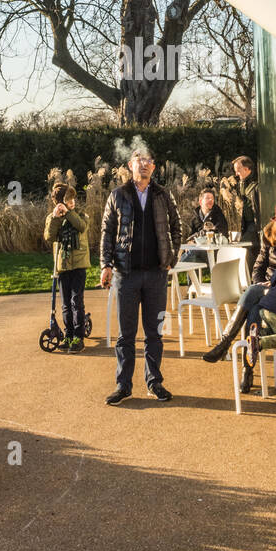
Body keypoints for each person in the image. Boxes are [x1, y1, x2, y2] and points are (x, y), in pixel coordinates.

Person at [202, 201, 276, 383]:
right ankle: (247, 371)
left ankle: (225, 344)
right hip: (268, 291)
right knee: (254, 309)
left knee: (252, 293)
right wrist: (261, 282)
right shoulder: (269, 235)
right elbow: (258, 266)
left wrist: (272, 283)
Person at [99, 149, 182, 405]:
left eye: (148, 161)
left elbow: (177, 226)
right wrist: (106, 264)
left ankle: (154, 382)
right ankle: (123, 385)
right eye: (139, 161)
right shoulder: (118, 195)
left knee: (154, 333)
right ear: (130, 165)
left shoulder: (162, 194)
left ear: (153, 167)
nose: (143, 165)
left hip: (156, 274)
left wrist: (172, 257)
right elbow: (107, 231)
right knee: (126, 335)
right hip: (127, 274)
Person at [44, 183, 90, 352]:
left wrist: (68, 212)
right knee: (65, 304)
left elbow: (81, 226)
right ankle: (68, 334)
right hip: (63, 266)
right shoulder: (53, 217)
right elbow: (50, 236)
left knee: (76, 301)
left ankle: (79, 337)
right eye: (69, 200)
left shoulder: (80, 214)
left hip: (78, 264)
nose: (73, 202)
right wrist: (56, 217)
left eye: (73, 199)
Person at [179, 188, 230, 266]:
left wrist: (194, 238)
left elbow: (219, 230)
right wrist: (190, 241)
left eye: (212, 198)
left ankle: (173, 268)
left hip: (215, 251)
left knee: (192, 252)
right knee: (192, 255)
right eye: (207, 198)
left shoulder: (218, 214)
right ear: (200, 201)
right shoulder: (195, 217)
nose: (211, 200)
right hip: (200, 250)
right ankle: (190, 276)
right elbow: (191, 235)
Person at [232, 156, 261, 263]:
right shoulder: (241, 184)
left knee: (242, 247)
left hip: (255, 224)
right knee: (248, 251)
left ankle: (248, 275)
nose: (236, 174)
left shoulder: (257, 185)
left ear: (247, 169)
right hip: (245, 225)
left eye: (238, 170)